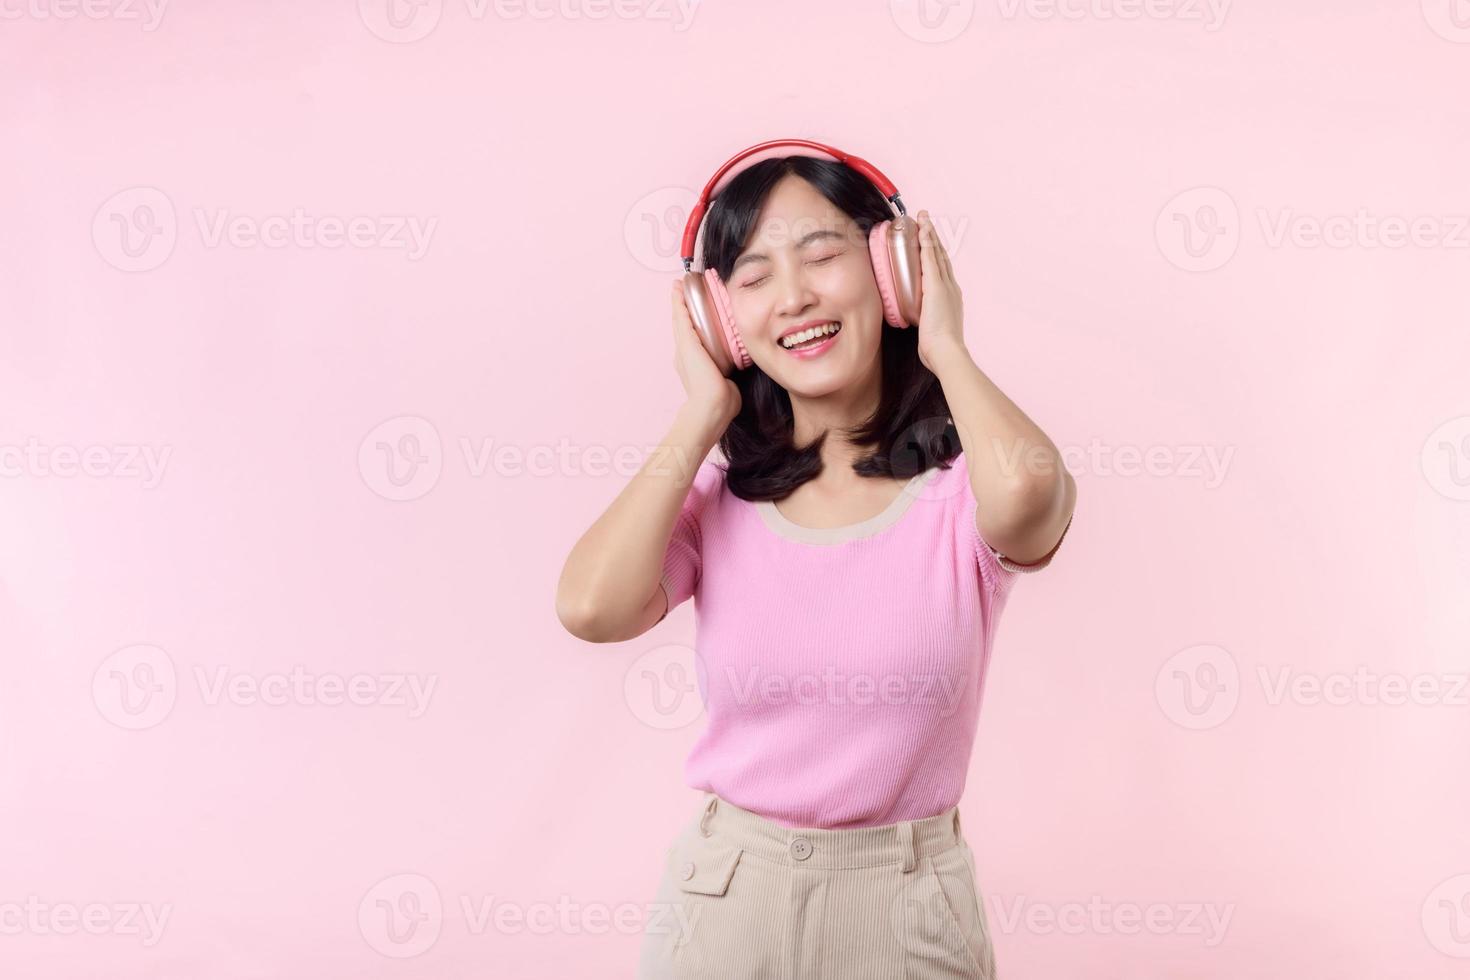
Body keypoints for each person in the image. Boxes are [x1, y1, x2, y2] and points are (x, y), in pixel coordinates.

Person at [556, 147, 1076, 979]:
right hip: (727, 902)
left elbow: (1035, 500)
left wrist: (946, 346)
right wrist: (701, 411)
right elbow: (589, 607)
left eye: (824, 254)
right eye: (753, 276)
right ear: (722, 321)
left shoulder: (960, 493)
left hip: (907, 910)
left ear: (893, 270)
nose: (794, 296)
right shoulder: (718, 501)